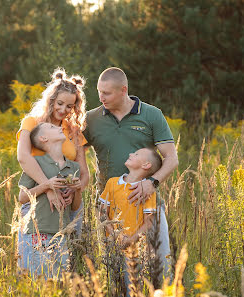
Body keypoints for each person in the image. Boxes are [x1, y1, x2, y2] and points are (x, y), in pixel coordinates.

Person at [83, 67, 179, 279]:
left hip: (147, 208)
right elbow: (72, 150)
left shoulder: (151, 114)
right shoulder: (91, 119)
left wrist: (152, 182)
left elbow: (171, 159)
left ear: (123, 90)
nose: (101, 97)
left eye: (106, 93)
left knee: (159, 273)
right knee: (118, 276)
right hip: (111, 214)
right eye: (99, 91)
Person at [16, 68, 89, 221]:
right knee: (34, 244)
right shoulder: (32, 123)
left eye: (69, 106)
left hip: (68, 204)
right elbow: (23, 157)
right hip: (37, 201)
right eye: (60, 103)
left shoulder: (74, 131)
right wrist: (49, 188)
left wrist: (74, 189)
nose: (63, 110)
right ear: (51, 100)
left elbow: (84, 174)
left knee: (70, 244)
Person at [18, 122, 82, 279]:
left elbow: (74, 207)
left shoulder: (73, 167)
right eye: (53, 128)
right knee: (39, 281)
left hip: (62, 234)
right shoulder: (36, 163)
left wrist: (77, 190)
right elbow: (22, 197)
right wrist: (47, 185)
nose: (60, 128)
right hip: (38, 231)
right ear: (43, 138)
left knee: (59, 283)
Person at [99, 147, 162, 295]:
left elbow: (149, 222)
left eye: (136, 154)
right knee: (112, 287)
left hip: (135, 251)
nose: (130, 153)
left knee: (132, 288)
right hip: (111, 246)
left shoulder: (147, 190)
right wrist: (115, 235)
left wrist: (131, 240)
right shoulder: (113, 183)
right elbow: (102, 213)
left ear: (146, 165)